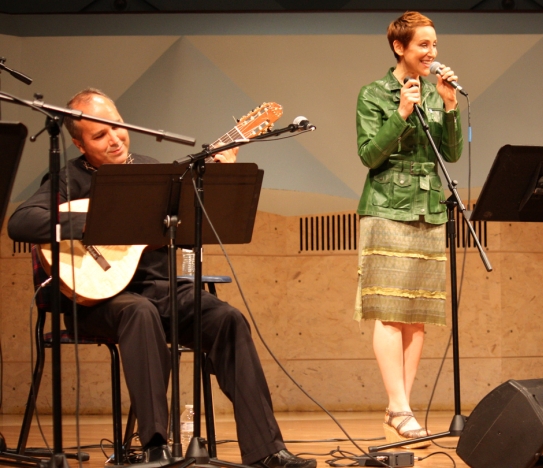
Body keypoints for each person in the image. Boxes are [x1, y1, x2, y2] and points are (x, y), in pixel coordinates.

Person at [7, 89, 316, 468]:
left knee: (226, 319)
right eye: (99, 135)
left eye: (117, 127)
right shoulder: (69, 179)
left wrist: (217, 178)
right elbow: (21, 223)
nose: (115, 138)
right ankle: (155, 447)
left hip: (161, 291)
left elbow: (191, 225)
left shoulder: (152, 170)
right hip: (97, 300)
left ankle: (267, 450)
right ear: (78, 143)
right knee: (139, 313)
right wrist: (102, 222)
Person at [354, 11, 463, 448]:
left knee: (418, 317)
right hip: (385, 210)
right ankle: (398, 407)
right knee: (390, 311)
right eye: (423, 45)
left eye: (434, 45)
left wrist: (450, 105)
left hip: (429, 209)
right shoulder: (373, 93)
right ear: (400, 47)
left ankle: (402, 407)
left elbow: (451, 155)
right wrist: (401, 112)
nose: (431, 53)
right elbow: (369, 156)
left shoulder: (437, 93)